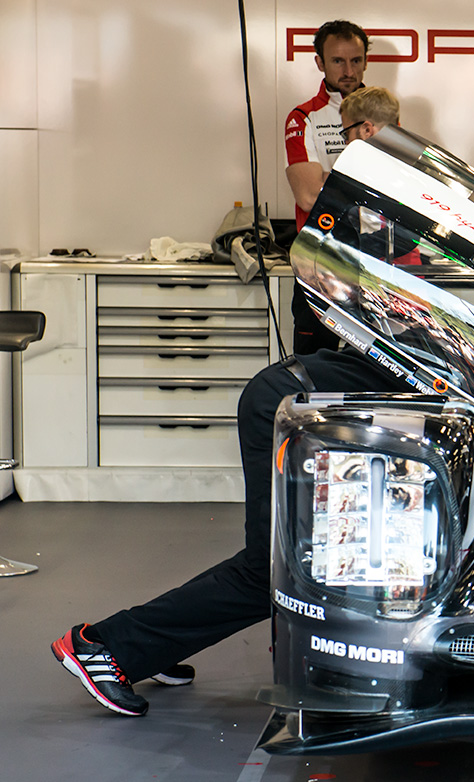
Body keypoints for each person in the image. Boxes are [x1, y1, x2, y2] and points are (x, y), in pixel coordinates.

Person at [51, 98, 407, 716]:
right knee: (276, 568)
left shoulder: (388, 213)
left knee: (280, 560)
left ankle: (147, 646)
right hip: (289, 401)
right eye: (365, 131)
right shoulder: (348, 207)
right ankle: (105, 647)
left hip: (315, 394)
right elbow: (336, 298)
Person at [286, 19, 369, 355]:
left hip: (371, 265)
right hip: (319, 264)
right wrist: (363, 184)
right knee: (313, 375)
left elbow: (393, 192)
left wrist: (327, 177)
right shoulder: (303, 117)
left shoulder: (383, 113)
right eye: (337, 61)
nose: (348, 70)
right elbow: (307, 196)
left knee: (371, 379)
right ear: (320, 63)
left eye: (356, 60)